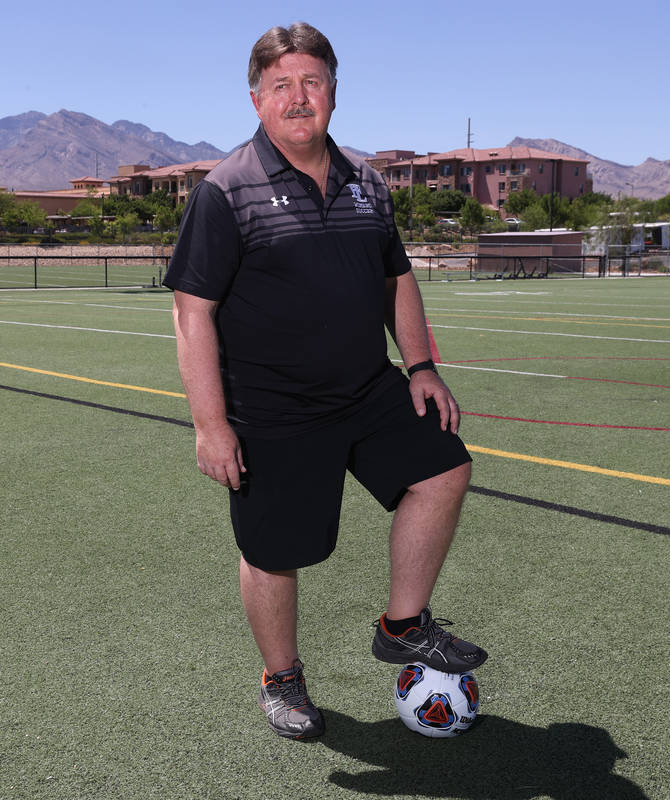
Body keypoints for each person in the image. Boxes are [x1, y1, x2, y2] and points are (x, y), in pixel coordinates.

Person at [164, 21, 486, 740]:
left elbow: (396, 277)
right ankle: (281, 679)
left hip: (366, 388)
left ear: (334, 93)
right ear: (257, 102)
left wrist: (422, 366)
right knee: (275, 555)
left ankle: (402, 626)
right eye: (282, 86)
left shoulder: (367, 182)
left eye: (312, 82)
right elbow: (192, 315)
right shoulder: (226, 191)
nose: (299, 97)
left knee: (444, 469)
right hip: (272, 407)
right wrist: (211, 424)